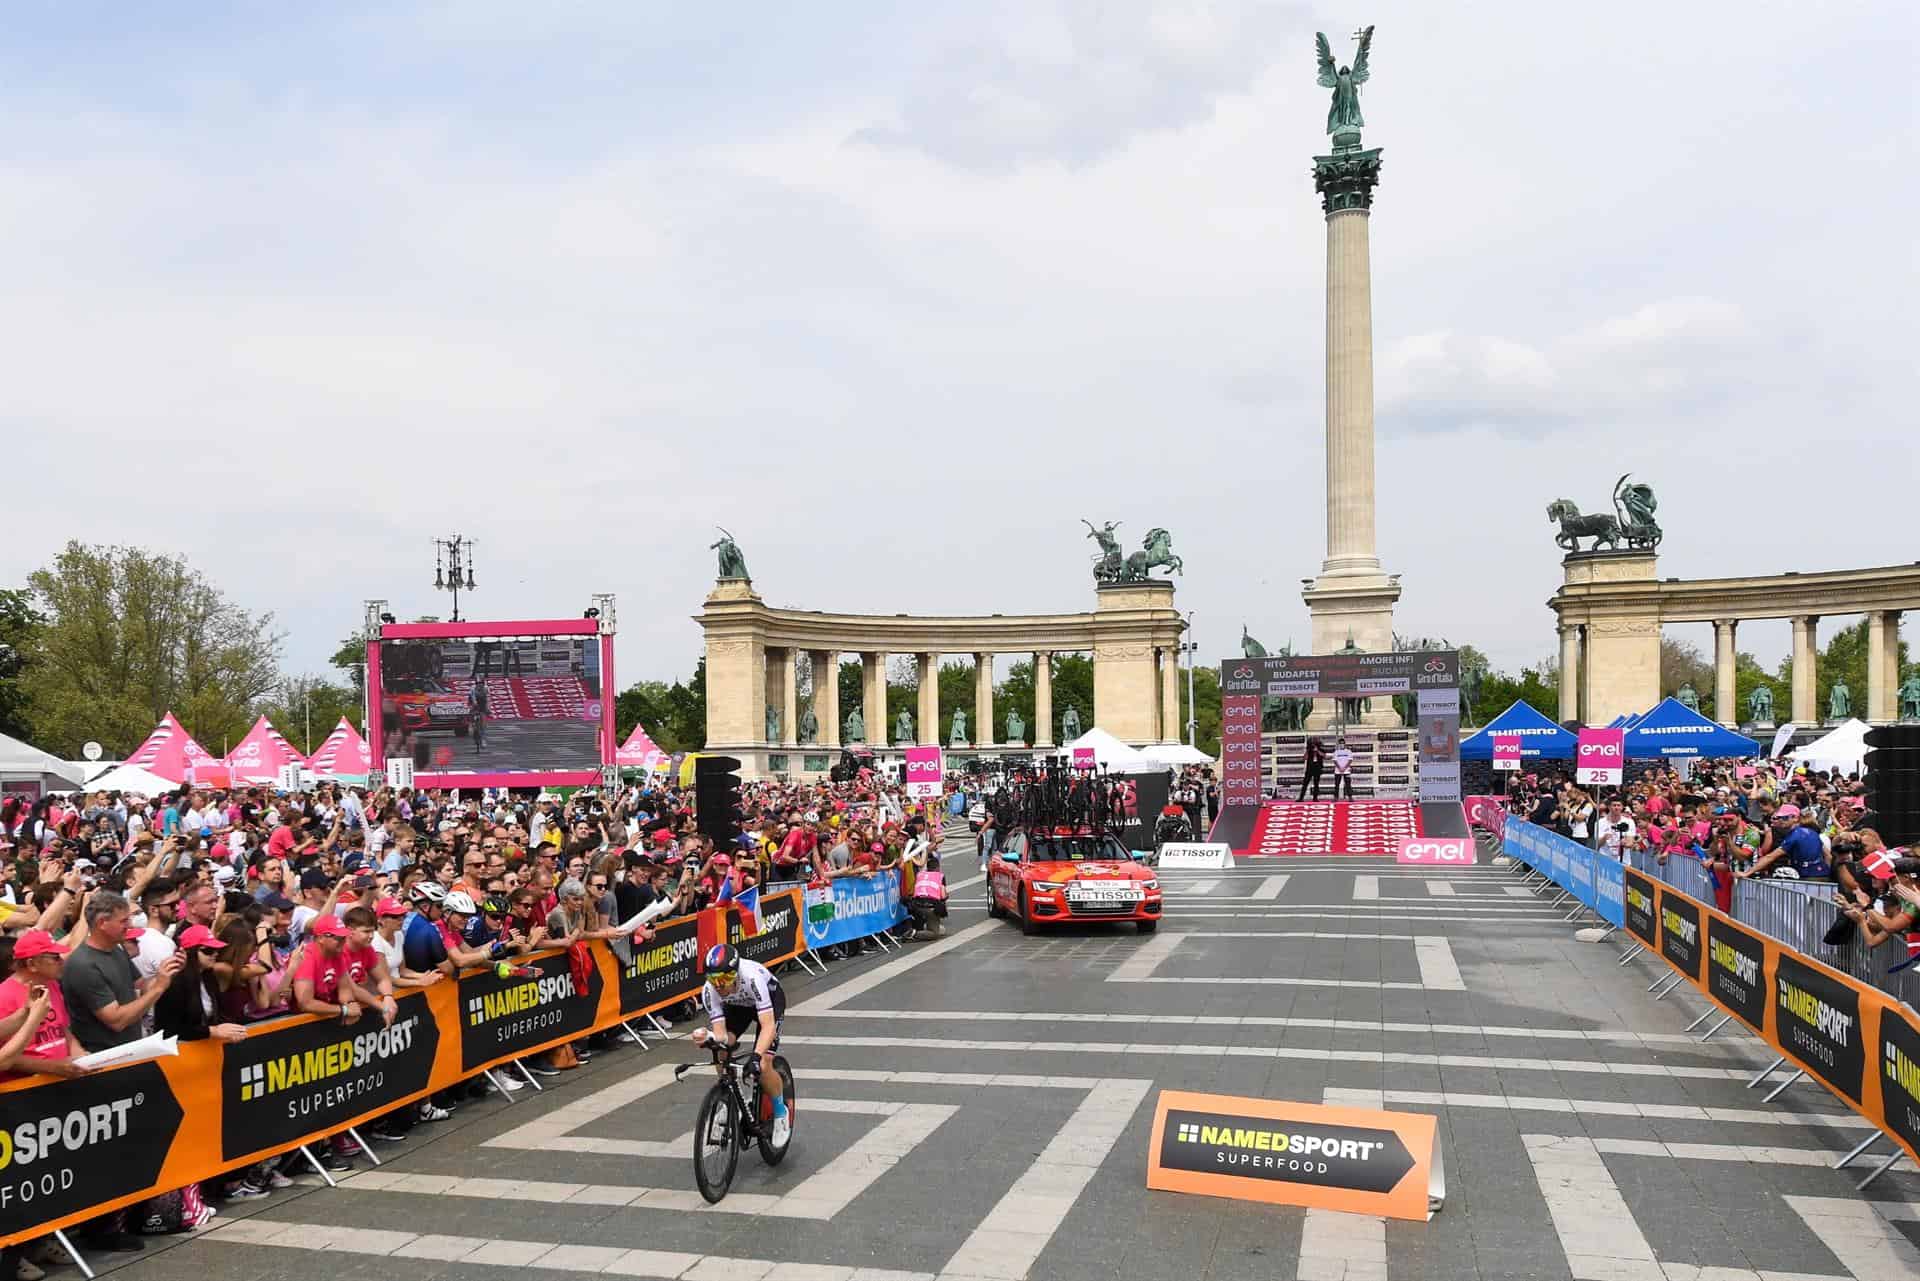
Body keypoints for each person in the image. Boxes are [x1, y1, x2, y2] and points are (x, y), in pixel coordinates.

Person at [690, 943, 789, 1147]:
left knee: (763, 1064)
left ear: (735, 973)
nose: (720, 986)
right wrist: (709, 1036)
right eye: (713, 980)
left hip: (769, 1002)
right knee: (720, 1051)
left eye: (725, 979)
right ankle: (727, 1100)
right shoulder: (710, 991)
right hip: (738, 1007)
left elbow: (768, 1025)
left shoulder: (752, 977)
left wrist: (756, 1056)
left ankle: (781, 1113)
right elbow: (721, 1035)